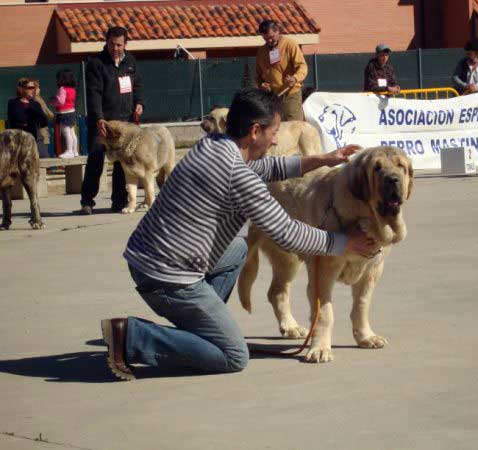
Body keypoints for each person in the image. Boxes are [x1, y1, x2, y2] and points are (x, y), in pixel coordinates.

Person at [100, 88, 377, 381]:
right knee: (233, 355)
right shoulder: (238, 176)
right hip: (166, 277)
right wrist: (346, 243)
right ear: (256, 131)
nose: (276, 140)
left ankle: (200, 328)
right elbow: (288, 233)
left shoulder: (213, 144)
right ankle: (130, 337)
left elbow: (266, 167)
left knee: (237, 250)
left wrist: (321, 159)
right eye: (275, 131)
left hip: (147, 257)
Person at [78, 26, 144, 215]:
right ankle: (87, 201)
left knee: (122, 164)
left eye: (119, 45)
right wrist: (98, 118)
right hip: (102, 123)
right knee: (96, 160)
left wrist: (139, 103)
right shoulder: (96, 63)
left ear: (125, 44)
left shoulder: (130, 61)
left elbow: (137, 85)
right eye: (112, 44)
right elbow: (94, 93)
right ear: (106, 42)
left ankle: (119, 201)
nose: (116, 48)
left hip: (124, 123)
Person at [255, 20, 307, 121]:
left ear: (277, 31)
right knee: (276, 127)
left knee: (293, 126)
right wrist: (261, 85)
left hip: (291, 93)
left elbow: (302, 66)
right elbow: (258, 76)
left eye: (271, 37)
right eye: (265, 39)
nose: (269, 41)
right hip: (272, 97)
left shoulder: (290, 44)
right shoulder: (261, 51)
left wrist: (295, 78)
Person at [6, 78, 49, 158]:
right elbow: (18, 118)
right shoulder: (13, 103)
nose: (33, 90)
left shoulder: (36, 104)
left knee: (44, 157)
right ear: (22, 89)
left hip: (33, 138)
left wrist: (35, 107)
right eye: (30, 88)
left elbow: (43, 122)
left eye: (34, 88)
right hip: (18, 139)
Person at [51, 68, 78, 159]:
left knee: (66, 132)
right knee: (72, 132)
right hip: (71, 112)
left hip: (64, 113)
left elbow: (61, 101)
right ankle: (75, 151)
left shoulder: (62, 89)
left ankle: (69, 151)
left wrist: (53, 101)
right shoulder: (72, 89)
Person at [32, 80, 55, 158]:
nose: (39, 89)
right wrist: (53, 116)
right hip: (41, 129)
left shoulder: (30, 99)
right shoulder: (37, 99)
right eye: (38, 87)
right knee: (43, 151)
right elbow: (47, 112)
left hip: (35, 128)